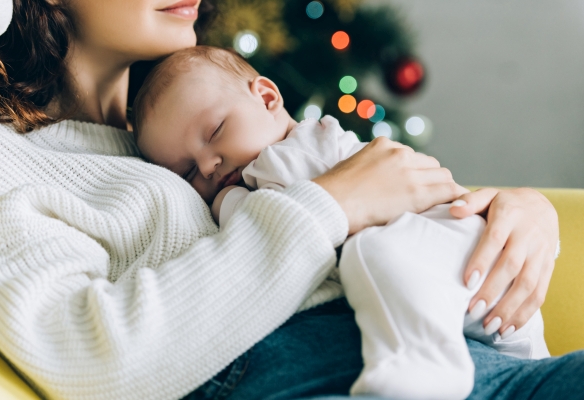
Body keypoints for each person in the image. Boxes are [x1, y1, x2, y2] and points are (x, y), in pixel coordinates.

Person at [0, 0, 580, 399]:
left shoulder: (196, 128)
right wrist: (327, 206)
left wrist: (519, 214)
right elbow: (97, 364)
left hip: (474, 359)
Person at [133, 45, 550, 399]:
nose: (208, 165)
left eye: (215, 131)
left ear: (266, 97)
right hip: (454, 293)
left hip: (465, 259)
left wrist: (228, 201)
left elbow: (285, 222)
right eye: (186, 171)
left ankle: (424, 369)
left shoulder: (301, 147)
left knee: (374, 251)